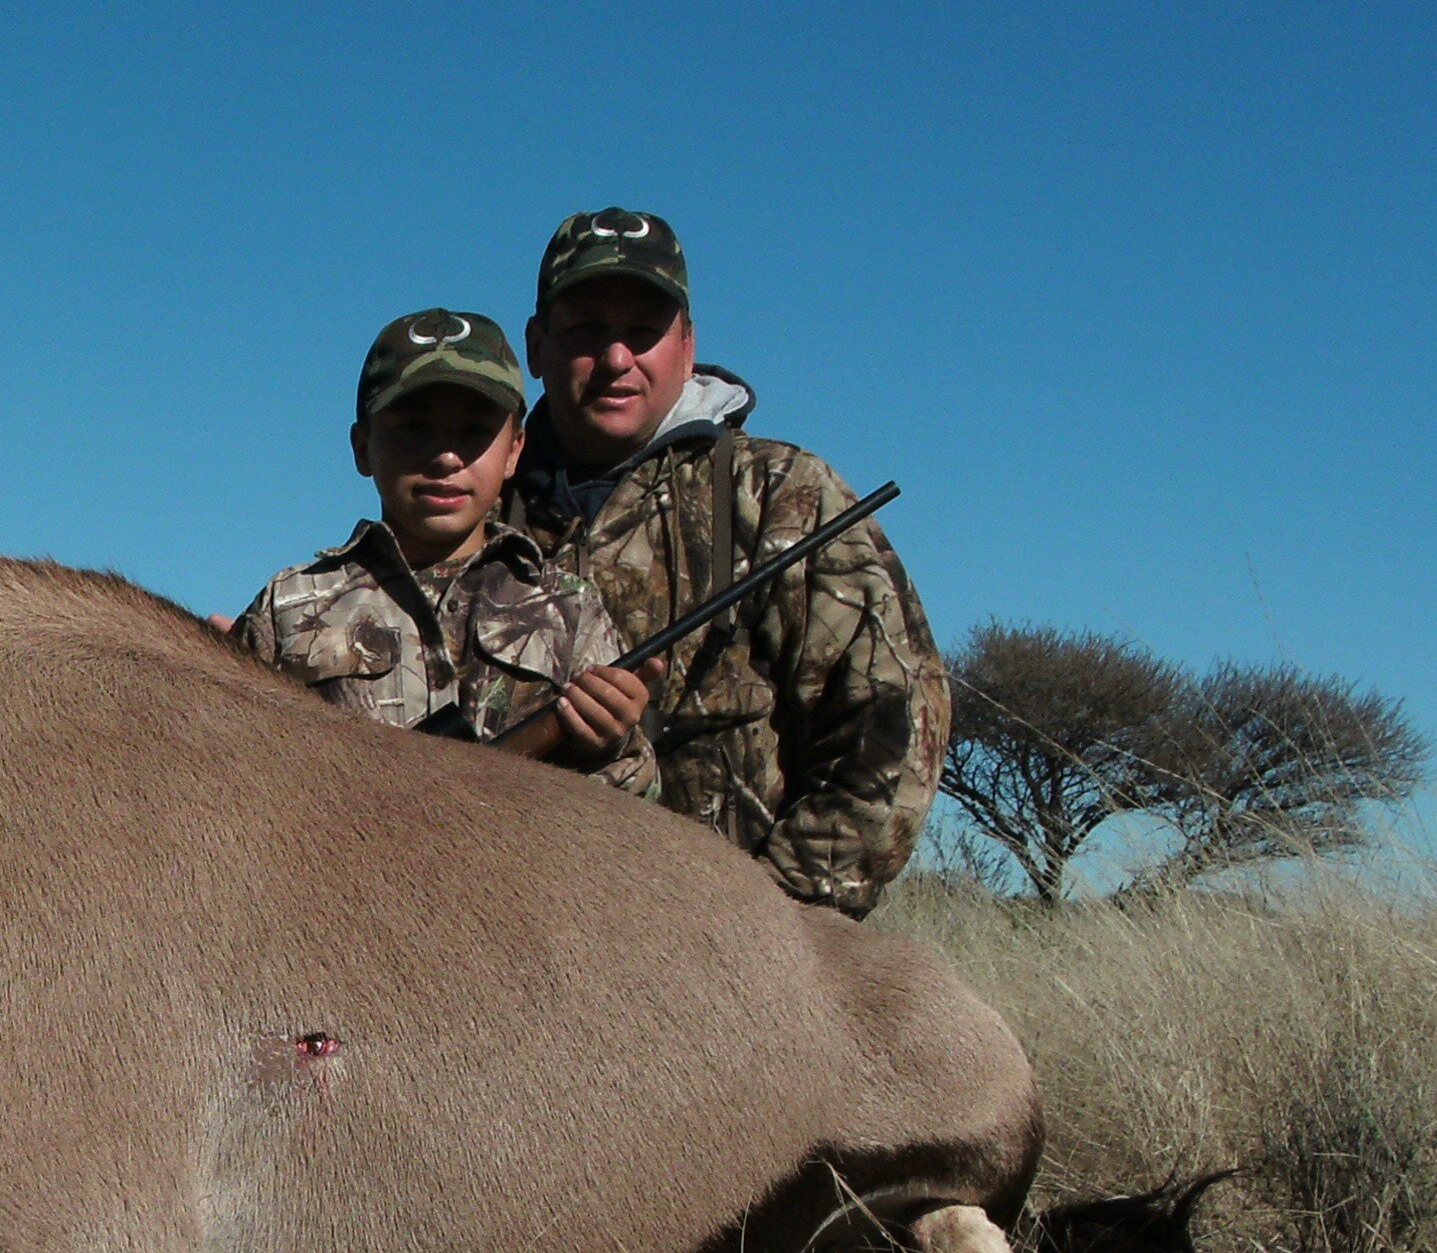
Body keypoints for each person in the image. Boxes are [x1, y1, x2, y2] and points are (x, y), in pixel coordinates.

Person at [500, 210, 947, 914]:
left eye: (643, 331)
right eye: (587, 329)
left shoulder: (781, 493)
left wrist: (780, 923)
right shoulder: (479, 517)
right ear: (536, 345)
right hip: (515, 938)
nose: (618, 359)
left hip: (730, 957)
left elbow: (891, 723)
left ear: (686, 344)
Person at [235, 309, 660, 795]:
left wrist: (609, 744)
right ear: (362, 447)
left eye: (474, 430)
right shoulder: (287, 604)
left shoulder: (569, 608)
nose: (445, 457)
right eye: (414, 428)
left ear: (515, 450)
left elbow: (639, 804)